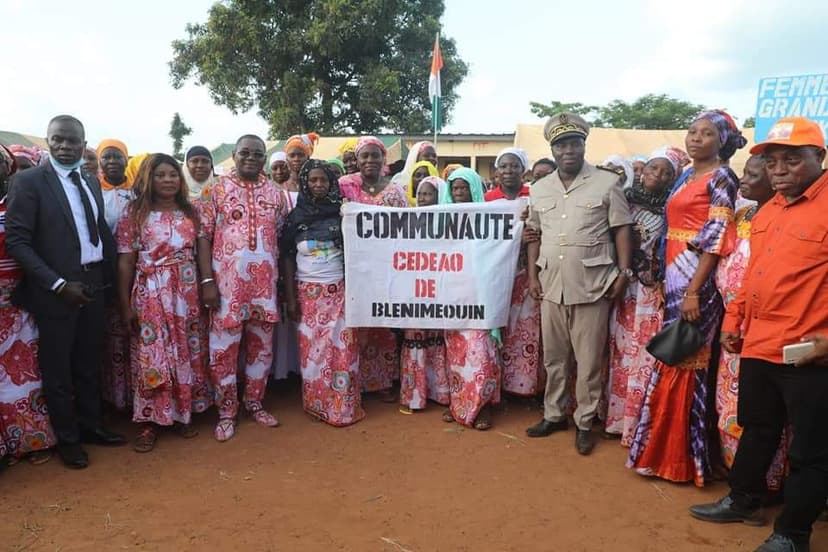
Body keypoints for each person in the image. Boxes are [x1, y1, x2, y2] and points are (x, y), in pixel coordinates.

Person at [689, 117, 828, 552]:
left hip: (810, 352)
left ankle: (792, 534)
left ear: (819, 157)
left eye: (792, 159)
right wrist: (734, 322)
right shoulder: (767, 211)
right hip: (759, 344)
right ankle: (743, 499)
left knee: (810, 450)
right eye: (772, 162)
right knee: (759, 428)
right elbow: (753, 276)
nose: (779, 170)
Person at [628, 110, 746, 485]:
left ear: (722, 141)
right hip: (676, 271)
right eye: (692, 131)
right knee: (674, 351)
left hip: (697, 275)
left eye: (706, 133)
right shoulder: (686, 174)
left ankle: (681, 457)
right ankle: (660, 449)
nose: (695, 138)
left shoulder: (722, 176)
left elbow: (717, 236)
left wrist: (694, 290)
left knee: (687, 354)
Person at [5, 115, 126, 469]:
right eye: (57, 139)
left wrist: (110, 282)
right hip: (56, 291)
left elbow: (99, 232)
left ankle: (91, 426)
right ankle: (68, 439)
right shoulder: (28, 181)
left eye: (72, 140)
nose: (64, 146)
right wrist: (57, 284)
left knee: (89, 362)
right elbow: (17, 242)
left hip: (94, 285)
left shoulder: (89, 180)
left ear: (83, 144)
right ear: (48, 141)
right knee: (57, 368)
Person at [525, 112, 634, 455]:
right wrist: (532, 275)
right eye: (561, 145)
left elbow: (622, 229)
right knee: (554, 358)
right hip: (551, 284)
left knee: (588, 361)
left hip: (593, 284)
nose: (568, 150)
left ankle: (585, 422)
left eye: (574, 143)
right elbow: (533, 234)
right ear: (552, 150)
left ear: (584, 145)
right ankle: (554, 414)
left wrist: (624, 272)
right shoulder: (539, 188)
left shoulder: (606, 183)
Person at [197, 134, 288, 442]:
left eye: (258, 154)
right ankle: (226, 411)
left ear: (265, 158)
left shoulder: (276, 194)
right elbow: (203, 237)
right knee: (223, 350)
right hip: (227, 288)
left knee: (261, 348)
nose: (251, 158)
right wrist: (207, 281)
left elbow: (279, 238)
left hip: (264, 289)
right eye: (245, 153)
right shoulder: (215, 189)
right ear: (233, 155)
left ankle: (254, 403)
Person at [116, 153, 210, 452]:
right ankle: (149, 420)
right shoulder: (134, 214)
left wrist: (207, 284)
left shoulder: (192, 211)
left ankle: (183, 412)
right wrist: (125, 304)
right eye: (160, 175)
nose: (168, 180)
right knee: (153, 354)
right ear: (148, 179)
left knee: (186, 350)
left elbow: (202, 251)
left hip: (186, 292)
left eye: (172, 174)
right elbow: (125, 262)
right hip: (151, 292)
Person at [714, 155, 787, 491]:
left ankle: (767, 482)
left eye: (752, 175)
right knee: (731, 403)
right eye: (744, 173)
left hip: (763, 328)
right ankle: (735, 471)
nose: (742, 180)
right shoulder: (742, 214)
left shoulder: (783, 219)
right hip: (732, 325)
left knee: (761, 409)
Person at [280, 159, 364, 426]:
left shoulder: (343, 214)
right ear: (305, 183)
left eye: (323, 180)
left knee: (343, 350)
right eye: (313, 180)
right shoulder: (295, 218)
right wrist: (290, 298)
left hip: (340, 292)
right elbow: (287, 257)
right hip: (307, 295)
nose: (318, 185)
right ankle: (317, 404)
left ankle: (343, 407)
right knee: (313, 353)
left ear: (332, 183)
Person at [604, 147, 677, 445]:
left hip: (649, 290)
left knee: (643, 354)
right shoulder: (623, 199)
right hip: (621, 285)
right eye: (653, 168)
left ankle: (636, 423)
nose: (658, 175)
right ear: (642, 171)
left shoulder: (671, 209)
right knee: (618, 350)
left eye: (667, 172)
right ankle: (613, 418)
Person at [339, 137, 408, 400]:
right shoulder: (344, 187)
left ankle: (382, 381)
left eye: (375, 155)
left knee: (383, 324)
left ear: (383, 159)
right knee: (356, 325)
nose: (369, 160)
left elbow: (407, 229)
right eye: (364, 156)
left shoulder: (395, 191)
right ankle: (355, 381)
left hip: (387, 268)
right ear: (356, 160)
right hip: (353, 268)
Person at [0, 146, 56, 469]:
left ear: (8, 167)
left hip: (18, 299)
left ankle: (30, 440)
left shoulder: (22, 202)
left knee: (24, 374)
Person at [439, 167, 501, 430]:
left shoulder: (489, 217)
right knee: (456, 354)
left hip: (480, 293)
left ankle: (483, 406)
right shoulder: (439, 219)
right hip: (453, 294)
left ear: (474, 188)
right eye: (455, 188)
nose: (459, 192)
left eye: (464, 187)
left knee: (481, 351)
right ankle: (459, 404)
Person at [485, 147, 543, 397]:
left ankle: (523, 385)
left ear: (523, 170)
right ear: (497, 171)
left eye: (514, 166)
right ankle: (498, 384)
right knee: (500, 326)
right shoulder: (487, 200)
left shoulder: (534, 197)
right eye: (504, 166)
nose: (509, 170)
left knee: (526, 328)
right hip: (497, 273)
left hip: (526, 271)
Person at [399, 176, 450, 413]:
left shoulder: (449, 223)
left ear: (440, 196)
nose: (422, 198)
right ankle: (414, 395)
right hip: (415, 290)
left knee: (436, 339)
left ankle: (439, 392)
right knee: (415, 337)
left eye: (428, 194)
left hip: (439, 289)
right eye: (419, 193)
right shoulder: (407, 221)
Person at [95, 139, 135, 412]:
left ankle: (137, 394)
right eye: (106, 157)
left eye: (117, 156)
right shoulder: (93, 192)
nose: (112, 162)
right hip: (106, 271)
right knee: (112, 336)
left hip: (136, 271)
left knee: (135, 332)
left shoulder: (138, 192)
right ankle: (116, 398)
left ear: (126, 160)